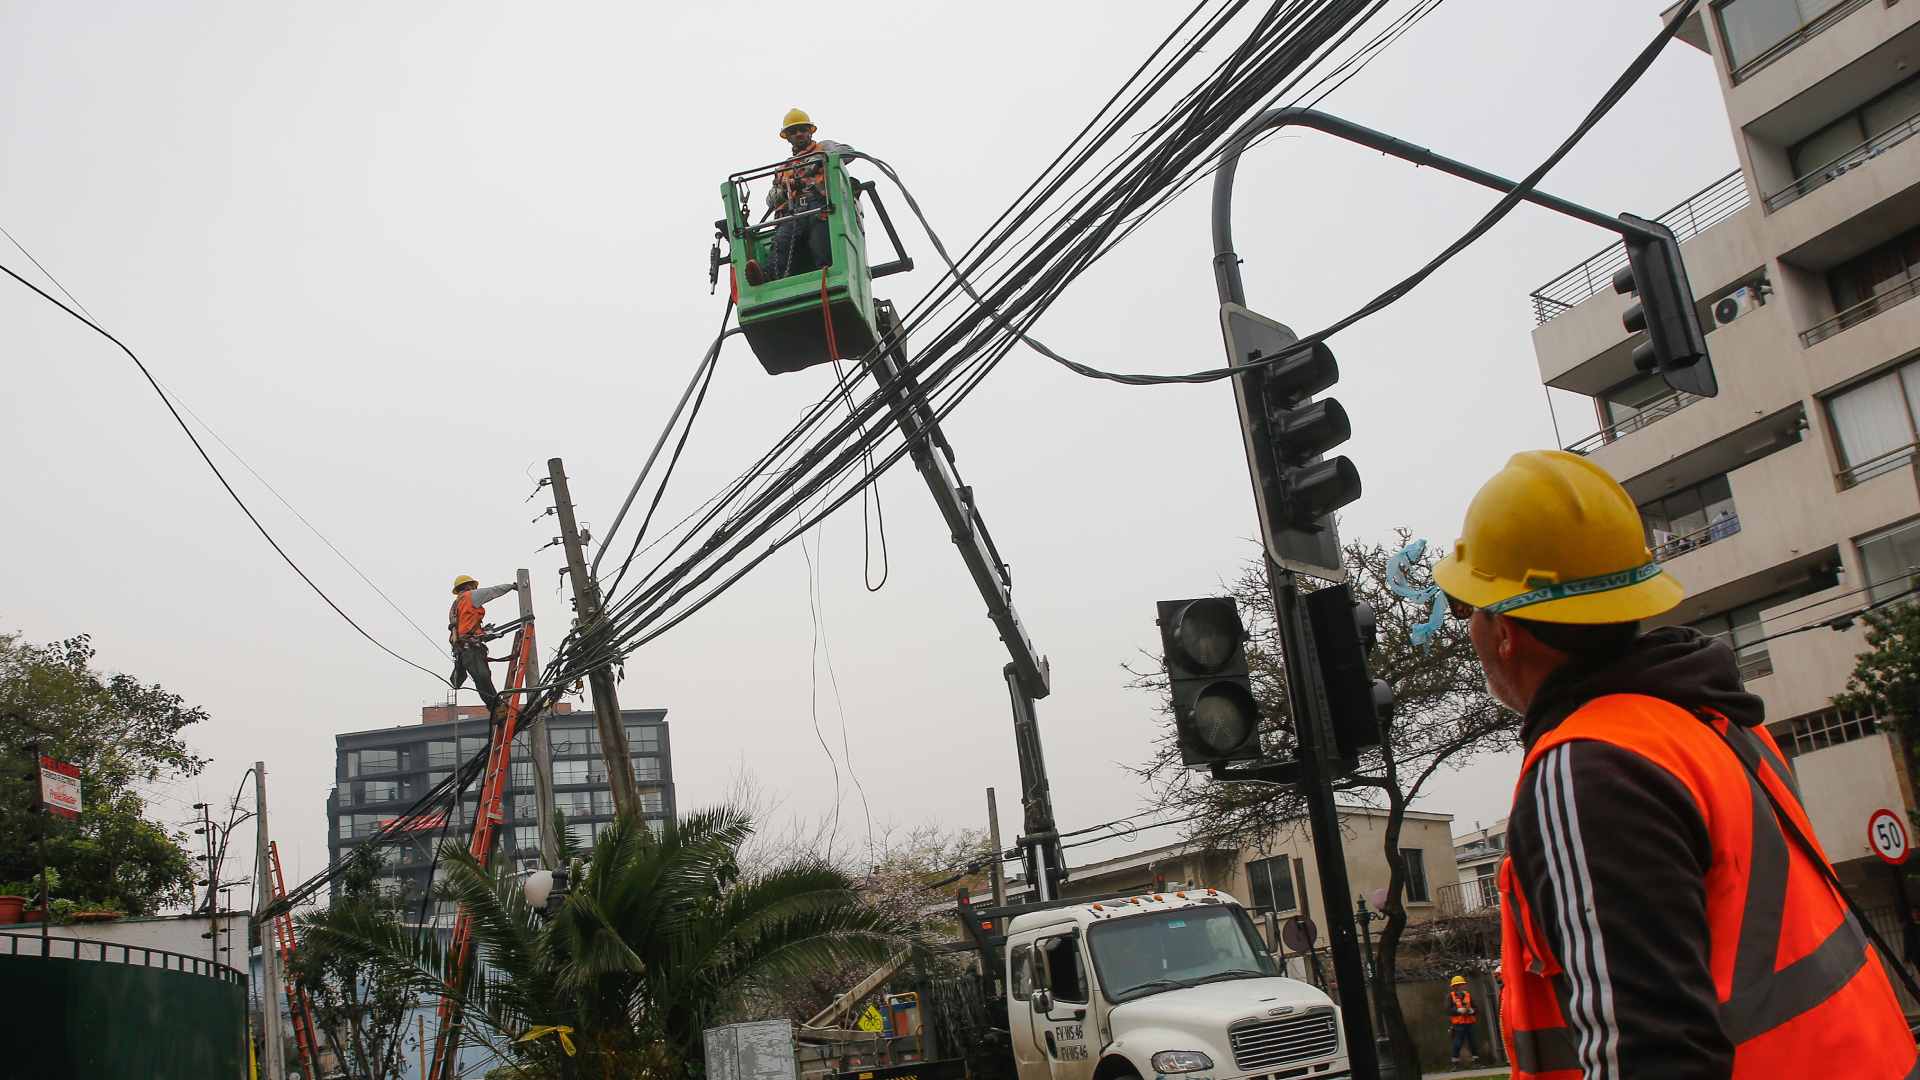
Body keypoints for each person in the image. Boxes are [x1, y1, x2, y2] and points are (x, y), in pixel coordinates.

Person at [1433, 450, 1916, 1079]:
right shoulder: (1719, 728)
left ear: (1503, 631)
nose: (1467, 629)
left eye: (1467, 607)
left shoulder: (1587, 769)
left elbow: (1646, 1055)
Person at [747, 108, 853, 284]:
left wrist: (820, 159)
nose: (799, 134)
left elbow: (849, 151)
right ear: (788, 137)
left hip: (820, 206)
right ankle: (766, 276)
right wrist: (781, 192)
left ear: (810, 132)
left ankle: (827, 278)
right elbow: (770, 199)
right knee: (781, 241)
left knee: (820, 241)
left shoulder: (823, 147)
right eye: (793, 131)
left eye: (803, 129)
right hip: (793, 212)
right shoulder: (784, 168)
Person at [448, 575, 514, 723]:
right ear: (469, 586)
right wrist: (512, 586)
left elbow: (463, 628)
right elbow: (493, 591)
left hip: (463, 650)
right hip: (470, 648)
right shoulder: (471, 596)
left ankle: (496, 709)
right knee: (483, 677)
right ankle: (497, 709)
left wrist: (483, 632)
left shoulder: (455, 605)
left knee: (481, 679)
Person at [1446, 975, 1481, 1068]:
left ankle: (1476, 1062)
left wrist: (1472, 1011)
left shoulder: (1468, 995)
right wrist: (1458, 1010)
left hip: (1470, 1023)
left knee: (1473, 1042)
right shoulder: (1450, 996)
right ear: (1454, 986)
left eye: (1461, 984)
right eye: (1457, 985)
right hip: (1458, 1024)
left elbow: (1476, 1008)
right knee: (1457, 1043)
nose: (1460, 986)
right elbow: (1447, 1010)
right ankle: (1455, 1064)